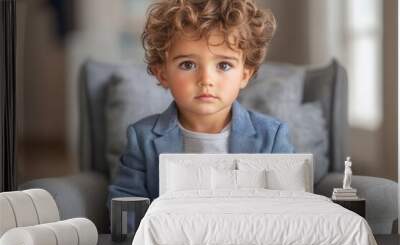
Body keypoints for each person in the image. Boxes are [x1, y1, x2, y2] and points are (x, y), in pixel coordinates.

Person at [107, 0, 295, 213]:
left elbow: (290, 208)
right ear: (162, 73)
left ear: (245, 74)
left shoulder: (271, 137)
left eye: (224, 65)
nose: (206, 79)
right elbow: (125, 210)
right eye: (188, 65)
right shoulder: (142, 139)